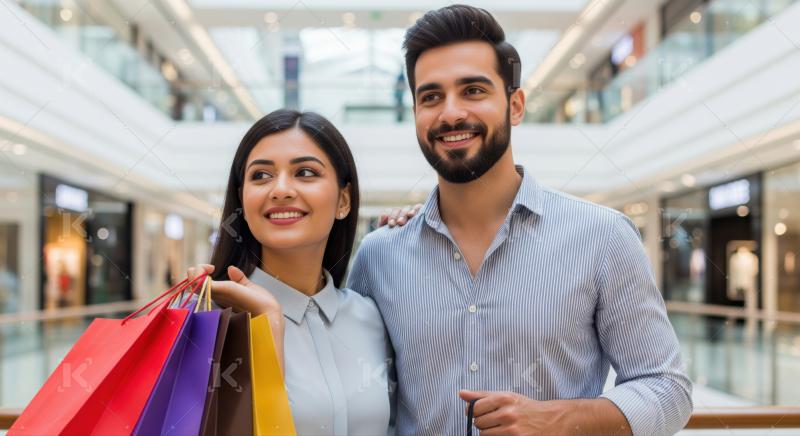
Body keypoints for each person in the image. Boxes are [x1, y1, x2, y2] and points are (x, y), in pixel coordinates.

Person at [347, 5, 692, 435]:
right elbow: (362, 397)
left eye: (473, 90)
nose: (451, 113)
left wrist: (561, 420)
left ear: (515, 105)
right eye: (431, 96)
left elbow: (666, 388)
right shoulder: (380, 256)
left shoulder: (602, 237)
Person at [186, 109, 394, 435]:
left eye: (306, 172)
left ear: (343, 200)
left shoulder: (370, 316)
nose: (280, 189)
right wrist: (265, 327)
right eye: (261, 176)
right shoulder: (210, 318)